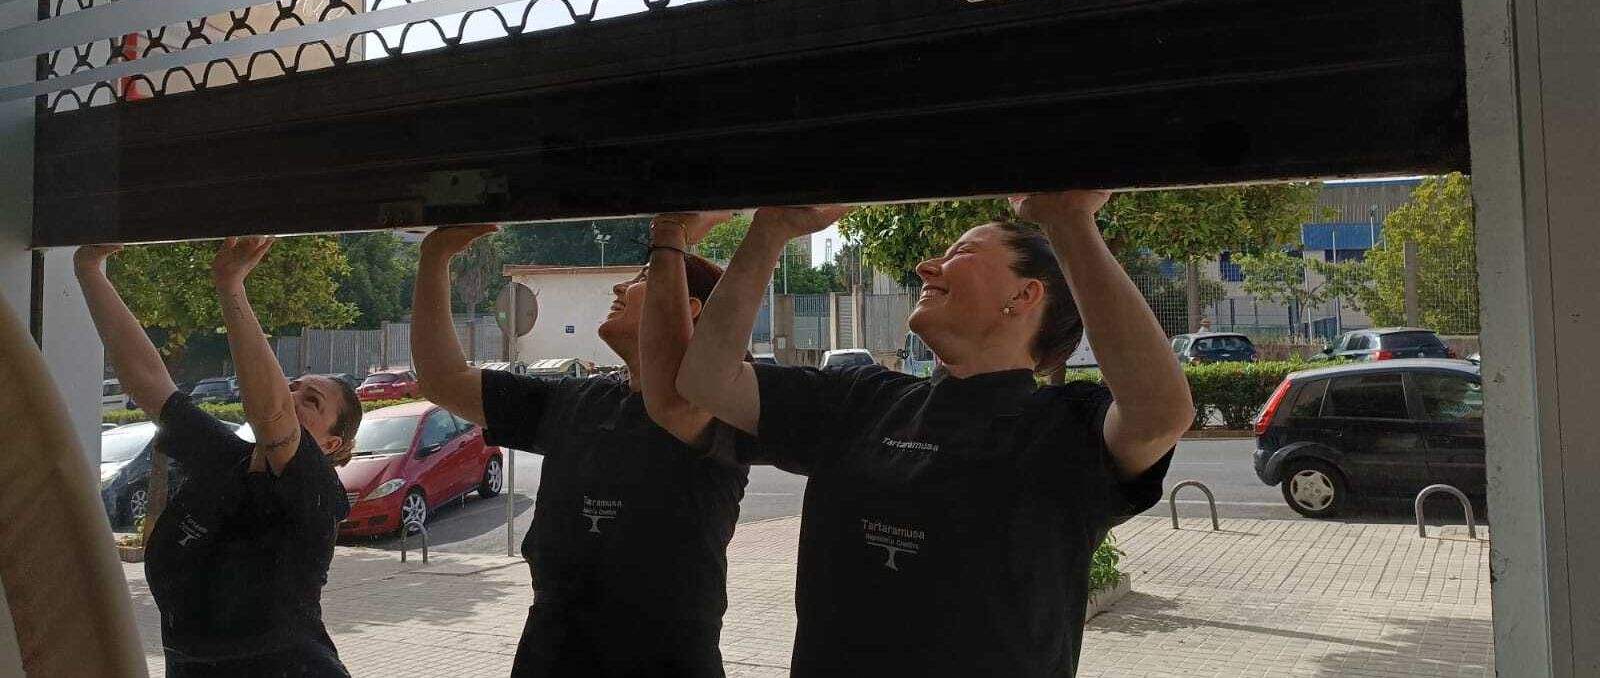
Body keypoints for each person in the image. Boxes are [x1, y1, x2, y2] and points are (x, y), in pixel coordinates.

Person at [672, 193, 1195, 678]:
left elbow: (1160, 413)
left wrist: (1068, 219)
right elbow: (707, 380)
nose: (926, 267)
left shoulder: (1063, 428)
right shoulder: (860, 399)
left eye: (961, 252)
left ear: (1024, 294)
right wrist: (771, 229)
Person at [411, 224, 747, 677]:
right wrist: (435, 256)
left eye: (644, 275)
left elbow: (707, 368)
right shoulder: (574, 399)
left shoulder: (719, 410)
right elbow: (444, 380)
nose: (618, 285)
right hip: (550, 658)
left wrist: (673, 232)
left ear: (687, 308)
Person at [75, 238, 361, 677]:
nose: (292, 395)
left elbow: (270, 414)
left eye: (313, 401)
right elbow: (148, 383)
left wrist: (231, 287)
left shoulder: (316, 493)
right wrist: (89, 269)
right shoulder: (226, 458)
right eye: (294, 385)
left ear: (330, 446)